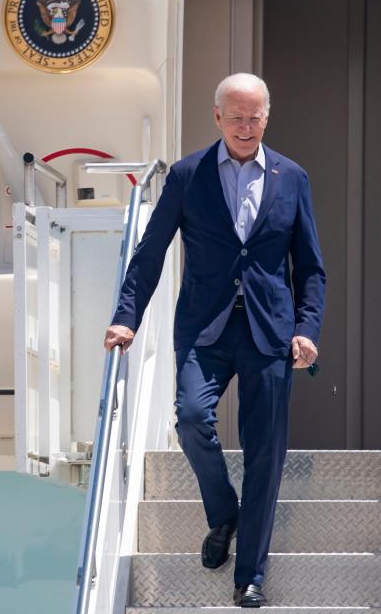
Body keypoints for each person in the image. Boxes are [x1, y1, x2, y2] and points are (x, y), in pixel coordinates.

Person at [103, 72, 326, 607]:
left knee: (266, 453)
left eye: (255, 117)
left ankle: (249, 575)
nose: (246, 127)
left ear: (266, 118)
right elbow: (151, 251)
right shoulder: (187, 175)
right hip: (206, 327)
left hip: (269, 332)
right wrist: (125, 317)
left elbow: (312, 267)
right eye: (236, 117)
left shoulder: (292, 177)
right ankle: (225, 511)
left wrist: (306, 328)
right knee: (192, 418)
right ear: (217, 118)